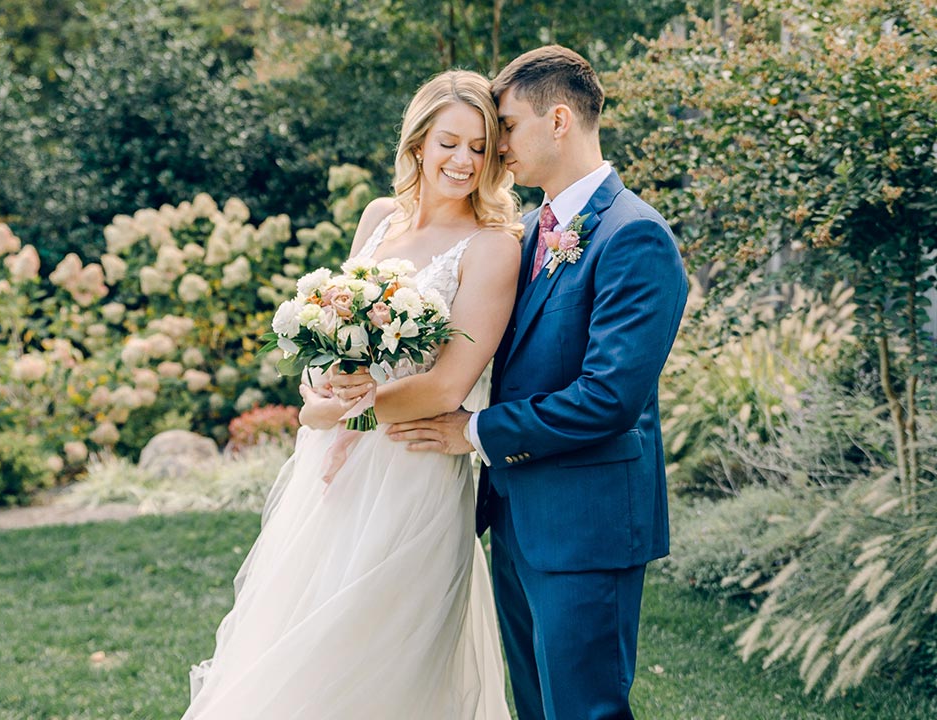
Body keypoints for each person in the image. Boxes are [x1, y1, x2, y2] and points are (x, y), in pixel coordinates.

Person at [181, 69, 524, 720]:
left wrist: (355, 410)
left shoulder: (492, 247)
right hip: (332, 474)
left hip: (413, 469)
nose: (464, 160)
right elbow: (337, 341)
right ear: (418, 142)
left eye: (480, 147)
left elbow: (451, 382)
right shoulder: (377, 219)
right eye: (450, 141)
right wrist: (324, 395)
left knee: (381, 655)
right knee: (300, 645)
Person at [386, 46, 688, 719]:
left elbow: (608, 400)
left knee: (584, 710)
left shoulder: (633, 237)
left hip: (587, 526)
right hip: (519, 517)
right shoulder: (527, 232)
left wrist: (476, 430)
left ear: (558, 121)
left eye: (507, 128)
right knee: (535, 708)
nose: (495, 151)